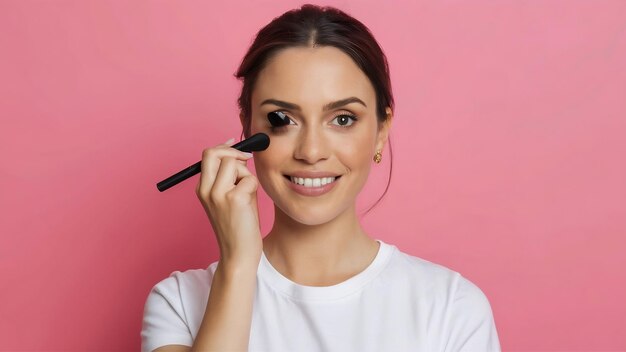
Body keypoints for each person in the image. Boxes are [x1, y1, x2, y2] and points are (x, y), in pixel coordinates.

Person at [141, 4, 501, 352]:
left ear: (380, 131)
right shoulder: (180, 303)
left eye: (342, 119)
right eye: (282, 118)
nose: (311, 152)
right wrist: (238, 266)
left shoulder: (452, 308)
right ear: (247, 127)